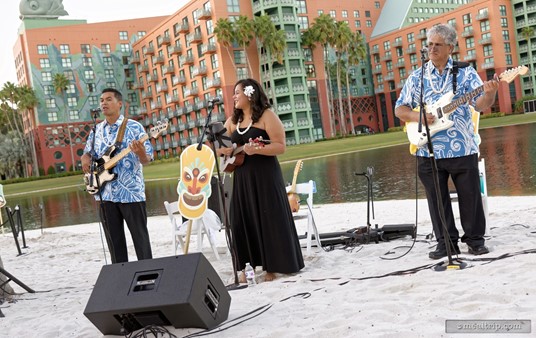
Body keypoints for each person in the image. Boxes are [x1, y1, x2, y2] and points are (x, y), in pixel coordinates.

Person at [395, 24, 498, 259]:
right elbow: (399, 108)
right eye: (429, 44)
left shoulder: (466, 73)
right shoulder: (417, 77)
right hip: (427, 149)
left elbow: (480, 104)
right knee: (437, 200)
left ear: (450, 47)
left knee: (470, 196)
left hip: (462, 146)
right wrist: (416, 116)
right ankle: (446, 243)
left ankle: (475, 241)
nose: (431, 48)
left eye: (437, 45)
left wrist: (490, 92)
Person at [217, 78, 304, 282]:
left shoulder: (267, 116)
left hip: (265, 177)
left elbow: (280, 146)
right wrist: (227, 149)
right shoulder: (232, 121)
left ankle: (272, 268)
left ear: (249, 94)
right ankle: (246, 267)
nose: (234, 97)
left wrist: (258, 149)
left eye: (237, 92)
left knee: (268, 220)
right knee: (240, 220)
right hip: (242, 178)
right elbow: (219, 145)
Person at [81, 88, 154, 264]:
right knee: (115, 245)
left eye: (108, 99)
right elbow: (87, 154)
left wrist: (141, 153)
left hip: (131, 193)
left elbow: (147, 159)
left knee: (141, 241)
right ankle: (122, 280)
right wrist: (84, 159)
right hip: (105, 195)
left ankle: (149, 276)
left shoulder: (134, 127)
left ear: (119, 104)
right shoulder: (96, 130)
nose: (103, 103)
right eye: (101, 100)